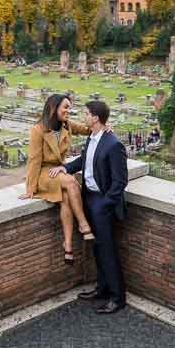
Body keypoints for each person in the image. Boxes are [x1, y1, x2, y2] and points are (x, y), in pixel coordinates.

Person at [55, 100, 129, 315]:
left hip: (102, 203)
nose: (84, 116)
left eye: (86, 114)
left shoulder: (114, 144)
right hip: (89, 198)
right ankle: (102, 289)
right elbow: (85, 160)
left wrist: (104, 205)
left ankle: (117, 298)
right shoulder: (92, 137)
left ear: (96, 118)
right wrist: (65, 167)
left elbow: (120, 182)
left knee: (107, 251)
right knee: (97, 249)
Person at [19, 94, 96, 265]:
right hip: (44, 173)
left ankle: (67, 245)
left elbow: (86, 129)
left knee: (66, 198)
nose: (69, 111)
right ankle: (84, 225)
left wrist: (103, 127)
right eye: (66, 107)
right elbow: (34, 160)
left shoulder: (66, 125)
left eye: (70, 107)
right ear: (54, 108)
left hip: (57, 171)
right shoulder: (38, 130)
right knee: (70, 181)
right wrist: (30, 188)